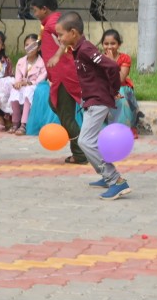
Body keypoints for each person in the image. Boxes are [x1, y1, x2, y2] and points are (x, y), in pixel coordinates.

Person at [55, 11, 132, 200]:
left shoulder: (86, 49)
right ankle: (107, 177)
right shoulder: (78, 49)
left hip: (99, 100)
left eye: (61, 34)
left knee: (85, 141)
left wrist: (114, 89)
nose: (59, 38)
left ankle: (115, 180)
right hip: (92, 100)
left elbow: (112, 66)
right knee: (90, 140)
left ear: (73, 33)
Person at [30, 0, 87, 164]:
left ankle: (81, 153)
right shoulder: (50, 22)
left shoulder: (53, 22)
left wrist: (58, 54)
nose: (34, 14)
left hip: (64, 76)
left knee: (65, 116)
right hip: (61, 76)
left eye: (35, 10)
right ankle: (82, 146)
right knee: (55, 105)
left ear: (44, 9)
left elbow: (71, 36)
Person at [101, 29, 140, 133]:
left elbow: (121, 79)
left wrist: (112, 62)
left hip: (121, 87)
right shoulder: (99, 58)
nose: (109, 47)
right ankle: (104, 129)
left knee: (120, 94)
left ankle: (122, 130)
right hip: (105, 88)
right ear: (102, 44)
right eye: (106, 44)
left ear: (119, 44)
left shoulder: (124, 58)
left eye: (113, 43)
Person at [9, 33, 45, 135]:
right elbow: (18, 77)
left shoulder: (42, 62)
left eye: (32, 46)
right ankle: (15, 122)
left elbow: (40, 79)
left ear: (38, 48)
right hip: (22, 85)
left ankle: (23, 124)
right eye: (27, 45)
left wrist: (28, 83)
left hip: (34, 87)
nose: (29, 48)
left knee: (28, 91)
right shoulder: (21, 61)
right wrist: (18, 84)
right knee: (14, 91)